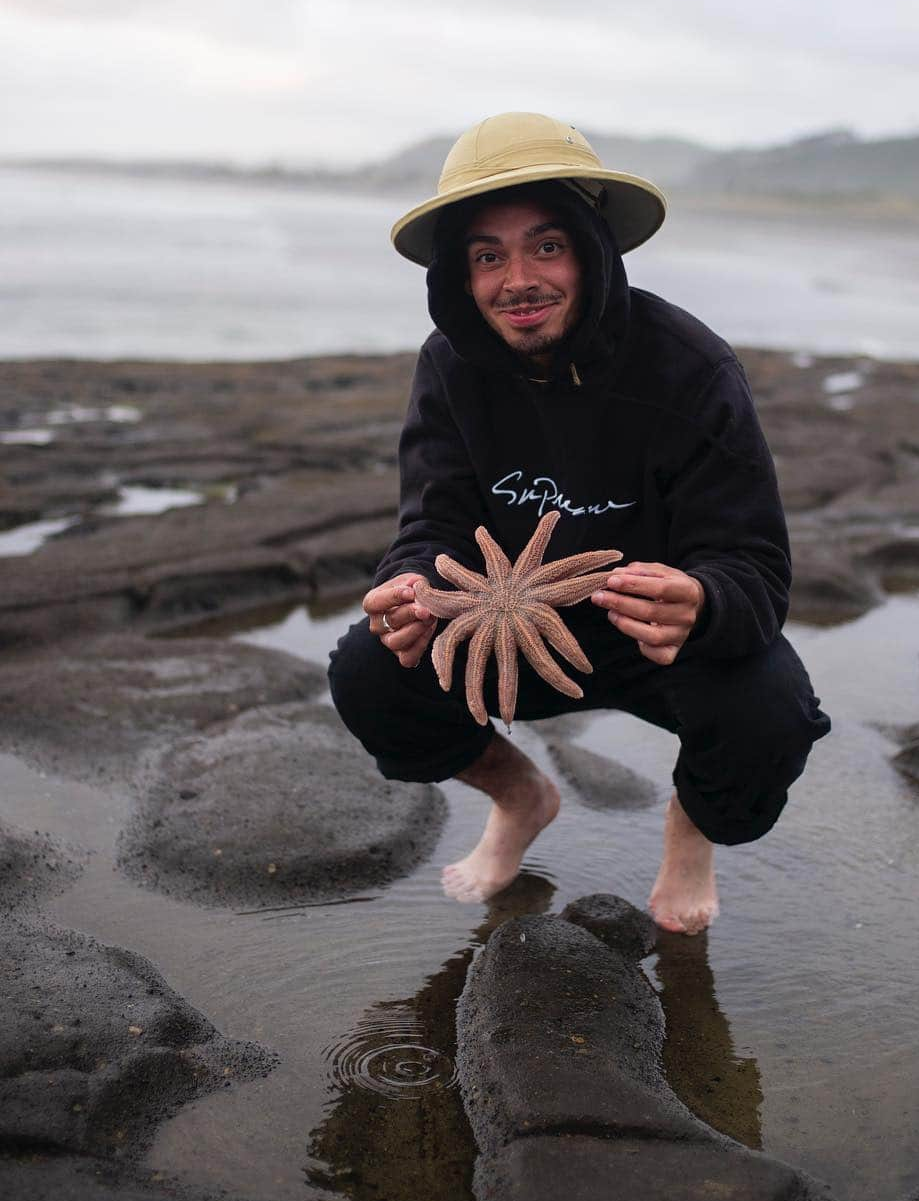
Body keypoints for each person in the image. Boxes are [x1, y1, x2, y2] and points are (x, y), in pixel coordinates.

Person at [328, 112, 830, 934]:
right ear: (460, 273)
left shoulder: (691, 367)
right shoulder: (450, 365)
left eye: (546, 247)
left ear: (594, 248)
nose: (517, 278)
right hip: (501, 627)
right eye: (488, 256)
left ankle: (689, 830)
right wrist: (409, 582)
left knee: (770, 709)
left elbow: (752, 562)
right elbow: (435, 517)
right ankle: (522, 797)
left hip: (655, 637)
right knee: (369, 669)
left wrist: (701, 600)